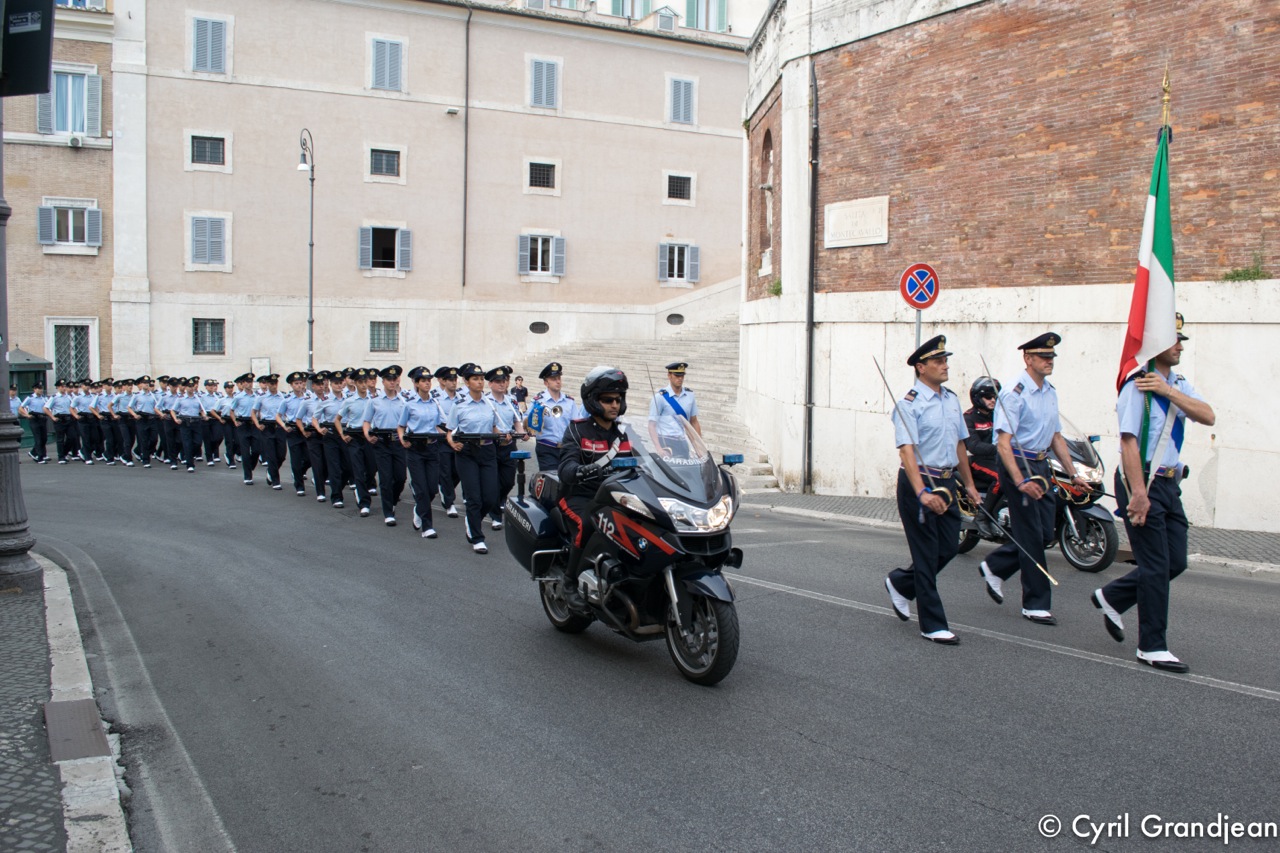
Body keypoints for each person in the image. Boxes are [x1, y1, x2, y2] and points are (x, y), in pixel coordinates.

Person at [1093, 313, 1214, 673]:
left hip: (1168, 483)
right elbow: (1129, 442)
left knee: (1176, 561)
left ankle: (1112, 595)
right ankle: (1152, 645)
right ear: (1157, 345)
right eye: (1175, 340)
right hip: (1140, 479)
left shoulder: (1175, 383)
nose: (1180, 346)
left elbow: (1207, 416)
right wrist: (1139, 493)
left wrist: (1168, 391)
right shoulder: (1136, 386)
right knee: (1156, 565)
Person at [979, 333, 1090, 625]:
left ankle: (996, 566)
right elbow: (1003, 444)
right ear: (1028, 359)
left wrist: (1074, 474)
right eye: (1043, 357)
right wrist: (1019, 481)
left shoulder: (1050, 391)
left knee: (1044, 534)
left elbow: (1056, 437)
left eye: (1052, 357)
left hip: (1040, 464)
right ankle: (1035, 604)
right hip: (1018, 462)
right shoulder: (1014, 394)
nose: (1049, 361)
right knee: (1030, 535)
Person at [883, 336, 981, 645]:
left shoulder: (952, 400)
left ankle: (900, 583)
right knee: (926, 555)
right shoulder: (909, 405)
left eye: (945, 360)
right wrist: (922, 493)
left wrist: (970, 485)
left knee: (949, 547)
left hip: (948, 482)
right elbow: (907, 453)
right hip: (920, 483)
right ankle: (932, 624)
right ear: (921, 367)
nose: (945, 365)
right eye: (938, 361)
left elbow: (961, 445)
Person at [557, 366, 633, 605]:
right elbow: (565, 467)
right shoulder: (577, 429)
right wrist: (580, 470)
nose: (614, 405)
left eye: (617, 400)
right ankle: (569, 582)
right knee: (590, 523)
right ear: (593, 401)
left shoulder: (625, 433)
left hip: (616, 497)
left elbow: (647, 460)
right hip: (581, 496)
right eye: (607, 400)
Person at [446, 363, 501, 553]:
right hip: (467, 452)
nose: (479, 382)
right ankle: (477, 537)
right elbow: (450, 431)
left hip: (487, 451)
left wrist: (502, 435)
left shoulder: (489, 403)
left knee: (491, 497)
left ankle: (473, 520)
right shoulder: (459, 405)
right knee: (474, 497)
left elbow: (494, 427)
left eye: (480, 379)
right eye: (475, 379)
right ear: (466, 382)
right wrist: (453, 443)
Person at [398, 366, 446, 539]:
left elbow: (439, 425)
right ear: (417, 384)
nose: (427, 383)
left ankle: (419, 509)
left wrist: (448, 436)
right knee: (422, 489)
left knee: (432, 488)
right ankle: (427, 527)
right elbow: (401, 426)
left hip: (432, 447)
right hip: (415, 449)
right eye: (423, 381)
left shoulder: (435, 403)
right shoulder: (409, 405)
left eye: (428, 380)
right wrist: (403, 438)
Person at [363, 365, 408, 525]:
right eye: (389, 379)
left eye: (394, 379)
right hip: (382, 443)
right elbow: (366, 422)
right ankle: (388, 512)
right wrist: (368, 435)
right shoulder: (374, 402)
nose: (392, 382)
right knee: (386, 479)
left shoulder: (404, 401)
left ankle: (393, 501)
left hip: (398, 442)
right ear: (383, 381)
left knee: (401, 477)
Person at [484, 365, 525, 529]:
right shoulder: (486, 401)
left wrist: (522, 433)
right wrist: (498, 434)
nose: (502, 384)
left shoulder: (511, 400)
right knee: (493, 481)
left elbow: (516, 420)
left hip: (509, 444)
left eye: (504, 381)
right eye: (498, 381)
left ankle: (499, 500)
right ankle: (495, 515)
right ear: (490, 384)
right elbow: (487, 423)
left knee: (508, 481)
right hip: (492, 444)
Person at [963, 376, 1002, 536]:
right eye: (988, 397)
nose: (993, 400)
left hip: (999, 459)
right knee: (1002, 478)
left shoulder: (999, 414)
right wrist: (998, 448)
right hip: (978, 461)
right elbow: (973, 445)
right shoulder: (969, 417)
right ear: (978, 397)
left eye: (995, 397)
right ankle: (984, 516)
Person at [338, 368, 377, 516]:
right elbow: (338, 419)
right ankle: (364, 502)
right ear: (355, 383)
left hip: (369, 437)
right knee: (358, 470)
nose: (363, 385)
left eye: (365, 381)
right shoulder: (349, 401)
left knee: (372, 468)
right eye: (360, 382)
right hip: (354, 437)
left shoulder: (373, 400)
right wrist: (342, 434)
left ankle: (362, 490)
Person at [529, 362, 580, 471]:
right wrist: (536, 418)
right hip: (547, 447)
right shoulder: (538, 401)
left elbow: (577, 424)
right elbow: (530, 424)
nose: (557, 381)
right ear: (546, 383)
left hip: (567, 449)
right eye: (553, 379)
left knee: (568, 482)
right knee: (551, 482)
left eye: (559, 378)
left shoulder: (569, 401)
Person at [647, 361, 701, 456]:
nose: (680, 378)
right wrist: (658, 448)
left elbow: (694, 421)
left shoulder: (690, 395)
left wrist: (699, 445)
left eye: (682, 376)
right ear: (669, 375)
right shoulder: (660, 397)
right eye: (677, 375)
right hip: (667, 442)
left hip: (683, 441)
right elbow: (652, 425)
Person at [310, 371, 347, 507]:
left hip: (345, 434)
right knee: (334, 467)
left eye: (340, 383)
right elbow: (315, 418)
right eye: (335, 383)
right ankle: (337, 497)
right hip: (331, 435)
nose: (338, 385)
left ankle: (338, 487)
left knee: (348, 466)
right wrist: (319, 429)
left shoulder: (348, 399)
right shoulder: (325, 401)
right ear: (330, 384)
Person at [430, 366, 461, 518]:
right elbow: (432, 418)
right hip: (442, 435)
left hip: (457, 434)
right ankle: (449, 503)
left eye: (455, 379)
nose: (454, 382)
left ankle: (444, 487)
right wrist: (440, 431)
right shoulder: (436, 397)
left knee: (457, 471)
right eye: (450, 380)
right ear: (443, 381)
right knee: (446, 469)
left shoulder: (461, 397)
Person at [251, 374, 287, 489]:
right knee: (271, 454)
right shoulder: (261, 397)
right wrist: (257, 424)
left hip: (279, 427)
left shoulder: (283, 396)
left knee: (281, 455)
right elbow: (253, 412)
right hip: (267, 427)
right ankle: (276, 481)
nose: (274, 386)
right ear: (267, 384)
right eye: (271, 383)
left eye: (275, 383)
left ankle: (271, 471)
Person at [170, 378, 207, 472]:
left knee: (198, 442)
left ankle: (188, 455)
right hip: (185, 422)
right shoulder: (181, 399)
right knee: (187, 443)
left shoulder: (197, 398)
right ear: (185, 388)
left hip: (196, 422)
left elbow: (201, 410)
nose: (191, 388)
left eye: (192, 386)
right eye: (189, 386)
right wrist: (175, 419)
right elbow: (173, 410)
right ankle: (190, 464)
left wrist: (204, 416)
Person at [230, 373, 260, 484]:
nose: (249, 384)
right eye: (247, 382)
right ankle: (248, 476)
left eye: (251, 382)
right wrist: (235, 421)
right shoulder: (238, 397)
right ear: (242, 384)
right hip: (243, 424)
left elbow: (259, 410)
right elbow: (231, 411)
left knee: (257, 449)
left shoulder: (257, 396)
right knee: (245, 452)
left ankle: (251, 466)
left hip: (254, 424)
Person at [127, 376, 160, 467]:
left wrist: (160, 414)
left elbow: (156, 407)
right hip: (142, 420)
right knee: (144, 440)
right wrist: (134, 415)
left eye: (148, 383)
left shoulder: (152, 395)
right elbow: (129, 407)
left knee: (154, 439)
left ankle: (140, 451)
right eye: (145, 383)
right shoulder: (137, 395)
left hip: (152, 419)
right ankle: (146, 460)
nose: (146, 384)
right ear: (141, 384)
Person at [48, 379, 77, 463]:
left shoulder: (68, 397)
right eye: (61, 386)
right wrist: (52, 417)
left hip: (69, 418)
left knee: (72, 437)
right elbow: (46, 408)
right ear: (57, 387)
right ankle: (61, 457)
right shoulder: (54, 397)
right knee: (60, 439)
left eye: (64, 386)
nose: (63, 388)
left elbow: (73, 407)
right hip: (59, 419)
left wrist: (75, 414)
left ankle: (64, 453)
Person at [19, 383, 50, 463]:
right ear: (34, 389)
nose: (41, 390)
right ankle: (39, 457)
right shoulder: (30, 398)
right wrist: (27, 415)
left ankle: (33, 452)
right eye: (39, 388)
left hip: (42, 419)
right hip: (34, 419)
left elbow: (48, 407)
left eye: (41, 388)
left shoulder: (44, 398)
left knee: (44, 438)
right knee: (38, 439)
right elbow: (21, 408)